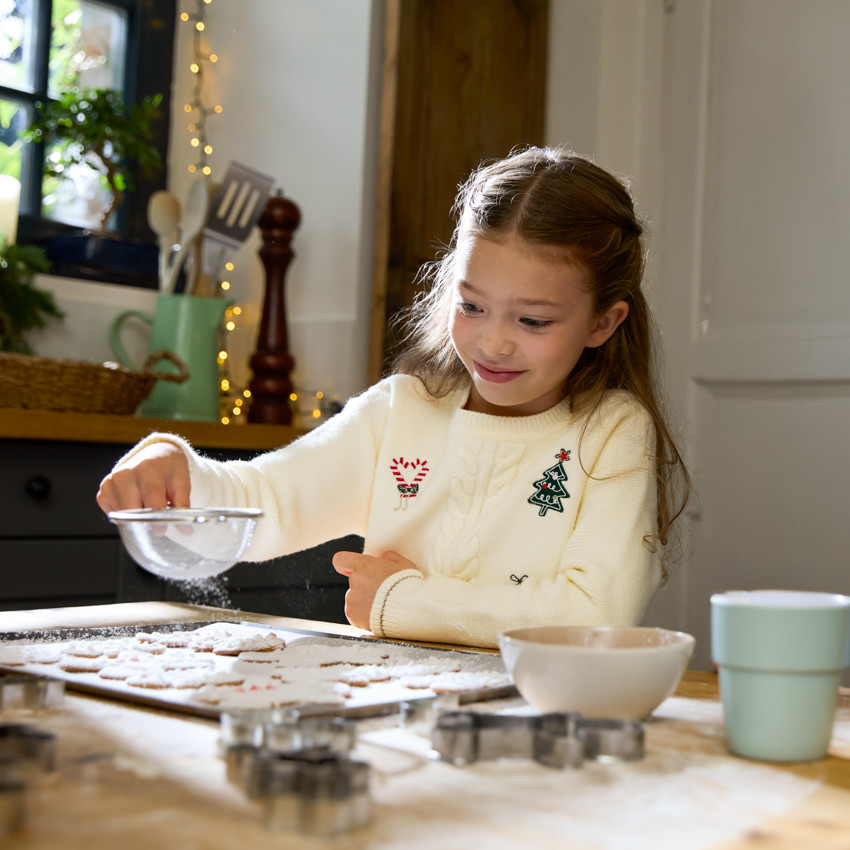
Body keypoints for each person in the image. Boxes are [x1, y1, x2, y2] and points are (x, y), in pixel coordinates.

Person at [97, 146, 690, 649]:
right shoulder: (403, 410)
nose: (493, 341)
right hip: (398, 723)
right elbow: (269, 500)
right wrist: (177, 475)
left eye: (533, 320)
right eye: (472, 305)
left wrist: (401, 602)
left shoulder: (611, 432)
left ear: (602, 324)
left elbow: (594, 617)